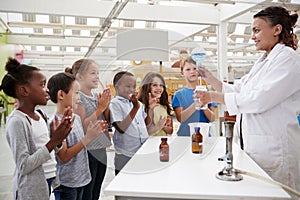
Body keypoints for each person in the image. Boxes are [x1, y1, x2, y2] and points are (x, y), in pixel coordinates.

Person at [196, 6, 300, 198]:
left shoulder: (288, 60)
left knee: (280, 195)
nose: (252, 36)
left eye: (257, 30)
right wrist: (210, 78)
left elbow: (258, 100)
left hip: (275, 150)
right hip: (256, 148)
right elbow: (240, 89)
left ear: (276, 30)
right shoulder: (263, 61)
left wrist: (213, 97)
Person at [0, 58, 73, 200]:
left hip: (48, 181)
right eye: (42, 85)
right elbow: (24, 165)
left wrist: (59, 138)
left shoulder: (41, 115)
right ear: (24, 90)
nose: (47, 90)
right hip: (30, 189)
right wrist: (53, 141)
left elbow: (50, 149)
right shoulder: (17, 121)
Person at [47, 72, 108, 200]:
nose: (79, 97)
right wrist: (88, 138)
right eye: (76, 93)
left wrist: (93, 132)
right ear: (61, 95)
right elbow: (64, 156)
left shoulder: (77, 119)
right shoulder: (56, 123)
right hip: (67, 184)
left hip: (82, 179)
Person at [70, 58, 111, 200]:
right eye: (93, 73)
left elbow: (105, 119)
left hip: (101, 148)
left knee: (97, 190)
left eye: (98, 73)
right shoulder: (78, 98)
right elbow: (81, 126)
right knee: (88, 191)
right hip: (89, 151)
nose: (97, 76)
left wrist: (106, 107)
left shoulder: (95, 96)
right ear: (79, 76)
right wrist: (100, 108)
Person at [110, 71, 149, 175]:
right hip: (125, 155)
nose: (132, 90)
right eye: (128, 86)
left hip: (141, 151)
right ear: (117, 87)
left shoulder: (138, 104)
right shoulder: (115, 104)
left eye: (134, 86)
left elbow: (144, 124)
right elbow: (121, 128)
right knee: (123, 184)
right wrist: (135, 108)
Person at [172, 56, 217, 136]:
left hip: (204, 136)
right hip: (185, 137)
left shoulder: (208, 93)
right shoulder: (178, 95)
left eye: (195, 69)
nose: (192, 72)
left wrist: (204, 106)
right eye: (188, 69)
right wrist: (195, 104)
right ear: (182, 73)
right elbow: (180, 118)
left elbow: (212, 118)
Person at [138, 72, 173, 136]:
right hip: (148, 143)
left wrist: (165, 127)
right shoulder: (140, 106)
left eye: (161, 85)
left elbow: (170, 131)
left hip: (162, 142)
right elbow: (144, 131)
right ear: (147, 87)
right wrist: (159, 125)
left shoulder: (164, 106)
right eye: (155, 85)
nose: (159, 88)